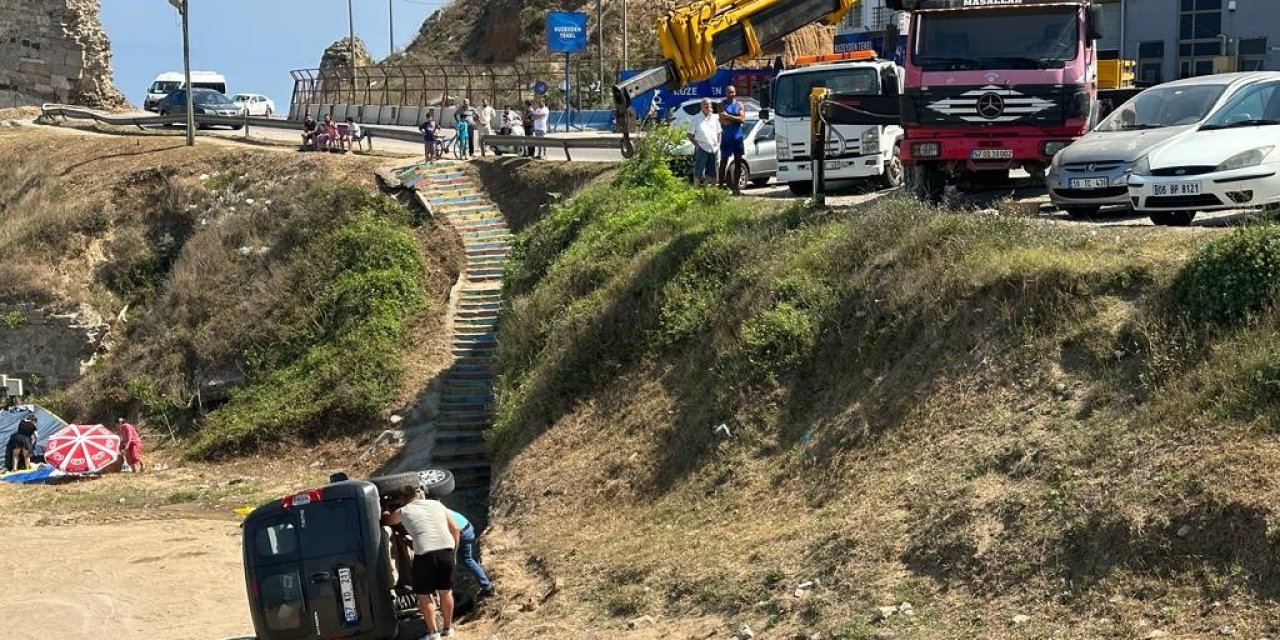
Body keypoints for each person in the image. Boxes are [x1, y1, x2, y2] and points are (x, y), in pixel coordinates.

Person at [382, 485, 461, 640]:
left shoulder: (403, 511)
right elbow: (456, 529)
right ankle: (448, 629)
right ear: (417, 494)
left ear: (402, 500)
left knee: (424, 596)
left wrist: (385, 506)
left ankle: (433, 634)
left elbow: (386, 520)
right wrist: (454, 553)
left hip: (425, 556)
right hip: (446, 552)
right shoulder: (437, 504)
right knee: (445, 592)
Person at [447, 508, 495, 597]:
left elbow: (455, 530)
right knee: (468, 559)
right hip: (467, 528)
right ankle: (486, 586)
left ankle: (487, 587)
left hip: (462, 533)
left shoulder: (437, 515)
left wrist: (454, 551)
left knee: (465, 560)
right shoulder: (439, 508)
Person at [718, 85, 747, 194]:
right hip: (726, 137)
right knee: (723, 162)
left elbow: (742, 119)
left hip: (737, 137)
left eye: (733, 92)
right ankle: (720, 186)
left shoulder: (739, 104)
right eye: (729, 92)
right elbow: (722, 119)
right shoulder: (721, 104)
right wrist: (735, 119)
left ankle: (736, 188)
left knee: (738, 162)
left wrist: (729, 117)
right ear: (725, 93)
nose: (731, 94)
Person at [687, 97, 721, 187]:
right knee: (699, 170)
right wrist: (697, 145)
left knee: (712, 171)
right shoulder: (695, 119)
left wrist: (718, 144)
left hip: (714, 148)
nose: (708, 106)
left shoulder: (715, 118)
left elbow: (719, 132)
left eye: (709, 104)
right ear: (701, 106)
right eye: (705, 104)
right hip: (701, 148)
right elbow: (690, 135)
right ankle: (696, 189)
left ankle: (711, 192)